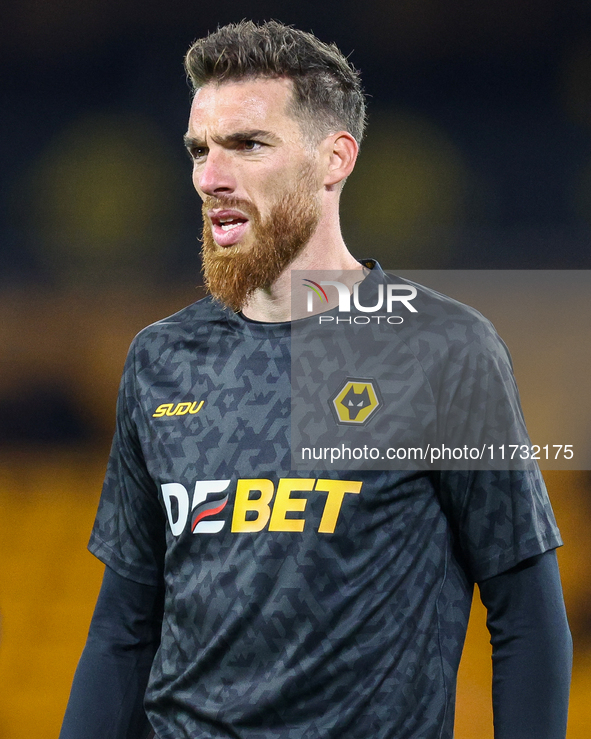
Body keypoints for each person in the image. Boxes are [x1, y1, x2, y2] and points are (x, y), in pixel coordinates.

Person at [59, 20, 572, 739]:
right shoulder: (161, 358)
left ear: (334, 159)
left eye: (247, 144)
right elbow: (121, 629)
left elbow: (526, 619)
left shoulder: (441, 349)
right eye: (199, 149)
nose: (210, 177)